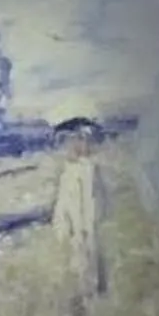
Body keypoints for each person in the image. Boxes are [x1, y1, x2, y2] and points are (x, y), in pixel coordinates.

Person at [50, 117, 108, 304]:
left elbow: (98, 197)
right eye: (75, 140)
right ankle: (80, 297)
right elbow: (63, 201)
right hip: (74, 225)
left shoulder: (90, 168)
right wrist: (61, 222)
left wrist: (93, 219)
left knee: (92, 255)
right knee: (76, 260)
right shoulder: (68, 170)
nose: (79, 145)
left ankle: (94, 294)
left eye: (84, 140)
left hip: (89, 223)